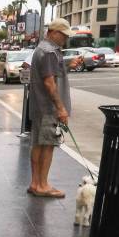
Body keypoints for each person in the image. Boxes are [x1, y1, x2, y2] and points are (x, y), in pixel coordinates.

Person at [28, 18, 79, 198]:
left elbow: (50, 75)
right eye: (63, 35)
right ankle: (42, 184)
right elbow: (49, 83)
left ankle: (36, 183)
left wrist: (67, 66)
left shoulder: (42, 49)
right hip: (48, 108)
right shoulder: (49, 52)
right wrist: (61, 108)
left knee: (38, 144)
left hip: (39, 106)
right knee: (47, 145)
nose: (65, 39)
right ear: (53, 32)